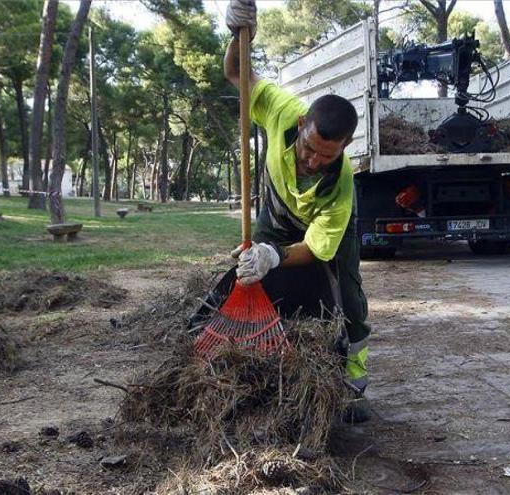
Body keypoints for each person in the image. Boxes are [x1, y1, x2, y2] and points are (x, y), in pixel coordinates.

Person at [225, 0, 371, 423]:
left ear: (343, 149)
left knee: (349, 299)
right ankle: (267, 359)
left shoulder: (339, 185)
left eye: (326, 156)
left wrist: (275, 254)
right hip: (278, 209)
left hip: (322, 232)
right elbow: (238, 74)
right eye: (309, 148)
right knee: (253, 275)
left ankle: (353, 385)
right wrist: (236, 35)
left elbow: (317, 250)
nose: (312, 161)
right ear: (303, 122)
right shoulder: (281, 108)